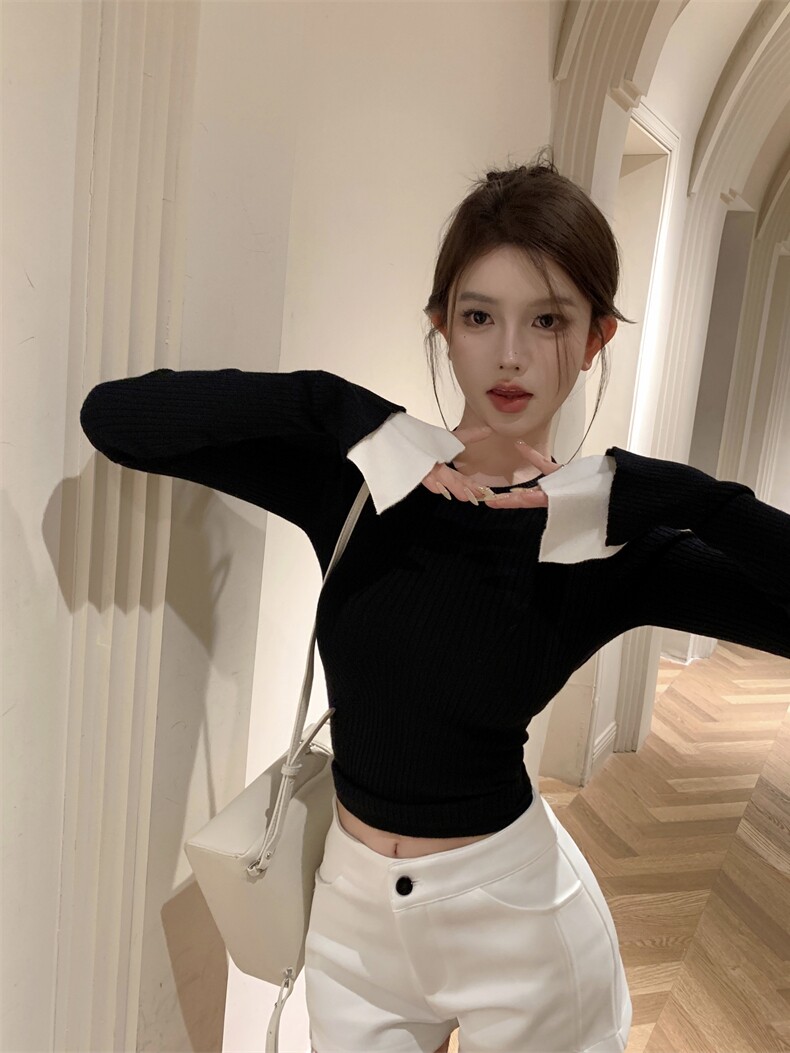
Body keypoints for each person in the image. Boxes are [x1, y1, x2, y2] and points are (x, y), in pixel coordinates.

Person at [80, 147, 790, 1053]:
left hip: (519, 925)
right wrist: (334, 407)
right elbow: (116, 420)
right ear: (442, 326)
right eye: (479, 315)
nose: (510, 354)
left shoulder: (603, 543)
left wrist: (689, 497)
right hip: (352, 922)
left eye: (548, 319)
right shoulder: (359, 488)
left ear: (596, 338)